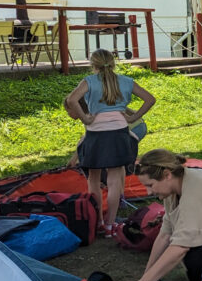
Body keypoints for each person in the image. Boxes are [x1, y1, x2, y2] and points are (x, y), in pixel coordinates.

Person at [113, 150, 202, 281]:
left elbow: (181, 246)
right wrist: (145, 279)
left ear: (167, 174)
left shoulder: (195, 191)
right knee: (195, 254)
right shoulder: (173, 189)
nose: (148, 192)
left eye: (150, 185)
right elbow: (165, 234)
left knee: (196, 257)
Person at [65, 49, 155, 235]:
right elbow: (150, 99)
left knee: (94, 179)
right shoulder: (126, 81)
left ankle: (97, 220)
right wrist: (134, 117)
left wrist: (85, 118)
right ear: (113, 63)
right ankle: (110, 225)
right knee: (115, 180)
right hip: (119, 132)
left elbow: (71, 100)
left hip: (96, 133)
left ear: (93, 64)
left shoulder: (89, 81)